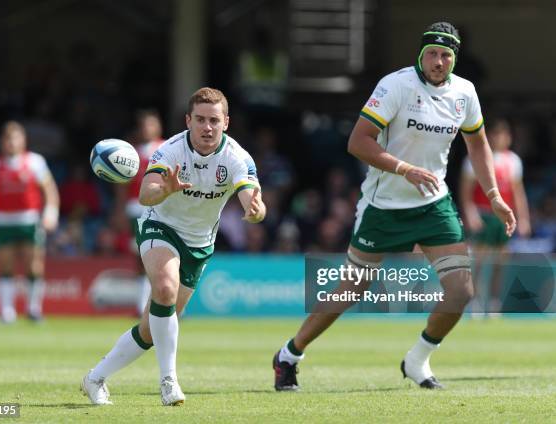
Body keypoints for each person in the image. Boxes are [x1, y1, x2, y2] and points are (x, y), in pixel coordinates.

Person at [272, 22, 516, 391]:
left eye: (446, 54)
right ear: (421, 55)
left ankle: (417, 360)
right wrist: (404, 168)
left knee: (462, 291)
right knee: (350, 290)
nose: (438, 60)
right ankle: (290, 354)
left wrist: (494, 195)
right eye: (432, 53)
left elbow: (478, 144)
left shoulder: (465, 92)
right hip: (382, 206)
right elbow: (358, 141)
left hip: (433, 205)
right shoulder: (395, 85)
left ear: (455, 58)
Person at [82, 87, 266, 406]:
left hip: (200, 243)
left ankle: (95, 377)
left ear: (226, 123)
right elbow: (145, 194)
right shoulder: (170, 150)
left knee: (152, 329)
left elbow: (252, 200)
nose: (207, 127)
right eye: (200, 120)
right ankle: (169, 382)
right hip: (160, 226)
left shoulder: (238, 157)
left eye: (213, 120)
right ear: (188, 121)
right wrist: (164, 189)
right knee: (164, 290)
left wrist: (255, 211)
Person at [0, 121, 60, 323]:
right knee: (5, 264)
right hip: (3, 220)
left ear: (23, 140)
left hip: (29, 219)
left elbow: (50, 190)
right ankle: (6, 312)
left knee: (34, 265)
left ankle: (33, 310)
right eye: (8, 139)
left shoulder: (35, 162)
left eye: (15, 138)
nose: (11, 142)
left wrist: (51, 213)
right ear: (1, 142)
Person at [459, 118, 531, 314]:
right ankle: (474, 304)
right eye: (496, 134)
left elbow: (518, 192)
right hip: (484, 215)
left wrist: (523, 218)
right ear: (490, 136)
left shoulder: (513, 160)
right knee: (480, 262)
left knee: (500, 261)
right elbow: (466, 191)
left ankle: (494, 304)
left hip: (503, 217)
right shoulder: (476, 158)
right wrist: (471, 214)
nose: (500, 138)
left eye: (504, 135)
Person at [114, 109, 165, 315]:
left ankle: (170, 303)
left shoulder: (166, 148)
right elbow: (121, 183)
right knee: (141, 258)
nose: (147, 129)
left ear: (158, 127)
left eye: (151, 125)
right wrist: (119, 210)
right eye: (144, 125)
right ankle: (142, 304)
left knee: (166, 255)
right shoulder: (130, 153)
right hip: (136, 209)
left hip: (161, 208)